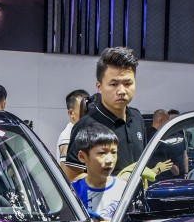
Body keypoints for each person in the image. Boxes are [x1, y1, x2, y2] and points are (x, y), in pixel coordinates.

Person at [63, 47, 147, 182]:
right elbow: (72, 177)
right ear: (99, 87)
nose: (121, 91)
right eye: (113, 84)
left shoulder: (137, 118)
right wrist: (115, 184)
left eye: (127, 83)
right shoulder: (85, 125)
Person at [69, 123, 123, 216]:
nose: (110, 160)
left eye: (114, 152)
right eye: (102, 153)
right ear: (82, 156)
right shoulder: (72, 192)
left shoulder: (125, 189)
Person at [57, 89, 90, 158]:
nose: (87, 112)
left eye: (88, 108)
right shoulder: (67, 138)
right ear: (71, 113)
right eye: (83, 108)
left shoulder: (81, 132)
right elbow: (66, 168)